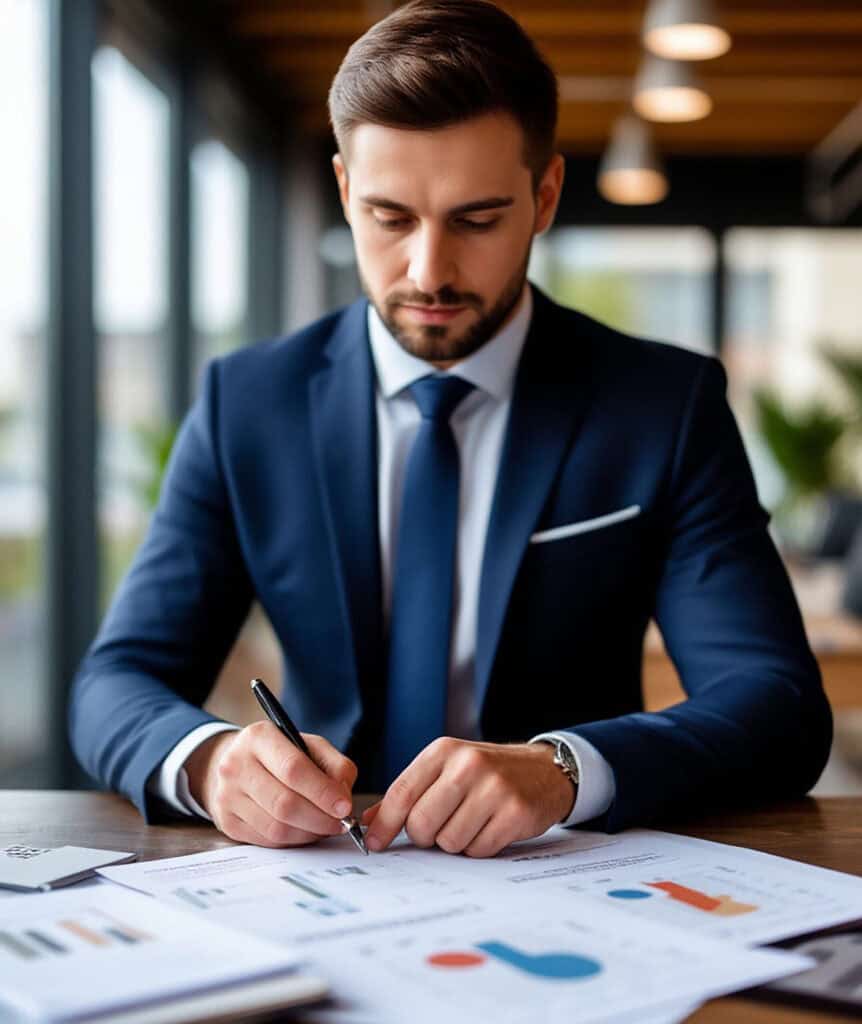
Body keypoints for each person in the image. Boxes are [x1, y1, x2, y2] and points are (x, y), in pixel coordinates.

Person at [70, 0, 831, 859]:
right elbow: (115, 681)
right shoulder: (247, 401)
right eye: (390, 218)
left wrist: (568, 769)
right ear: (345, 190)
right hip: (319, 880)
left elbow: (779, 705)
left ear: (544, 196)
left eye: (476, 220)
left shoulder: (662, 404)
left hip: (568, 877)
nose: (428, 270)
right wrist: (209, 764)